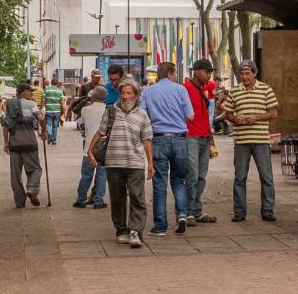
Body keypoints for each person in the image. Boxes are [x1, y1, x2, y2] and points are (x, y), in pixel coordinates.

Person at [89, 78, 154, 248]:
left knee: (137, 197)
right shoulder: (111, 111)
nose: (125, 97)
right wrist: (90, 150)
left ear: (136, 96)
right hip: (113, 162)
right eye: (123, 93)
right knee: (117, 199)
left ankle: (135, 231)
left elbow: (147, 140)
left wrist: (150, 163)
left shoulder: (143, 114)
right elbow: (100, 132)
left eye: (129, 93)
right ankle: (121, 230)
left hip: (135, 163)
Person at [138, 61, 196, 236]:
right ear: (171, 73)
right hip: (180, 140)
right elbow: (191, 116)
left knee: (160, 183)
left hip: (159, 139)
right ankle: (182, 214)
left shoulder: (148, 91)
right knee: (179, 180)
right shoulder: (181, 90)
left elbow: (141, 115)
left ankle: (161, 226)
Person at [221, 60, 279, 223]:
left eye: (247, 73)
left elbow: (273, 113)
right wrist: (235, 119)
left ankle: (268, 210)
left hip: (261, 140)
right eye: (242, 73)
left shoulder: (266, 89)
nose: (244, 77)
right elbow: (228, 114)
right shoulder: (234, 91)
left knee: (266, 176)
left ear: (255, 73)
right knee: (240, 177)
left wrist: (257, 117)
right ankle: (239, 212)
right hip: (241, 141)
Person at [183, 59, 218, 227]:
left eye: (210, 72)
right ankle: (188, 211)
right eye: (206, 72)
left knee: (201, 177)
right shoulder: (186, 89)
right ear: (196, 71)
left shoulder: (203, 89)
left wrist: (211, 139)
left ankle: (196, 209)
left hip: (204, 137)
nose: (209, 75)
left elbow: (205, 117)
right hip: (191, 137)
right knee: (192, 176)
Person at [2, 85, 45, 207]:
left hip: (14, 144)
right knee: (35, 169)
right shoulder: (31, 104)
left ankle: (20, 202)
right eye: (30, 92)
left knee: (15, 175)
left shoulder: (9, 105)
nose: (32, 95)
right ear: (25, 92)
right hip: (30, 143)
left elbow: (5, 125)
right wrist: (44, 132)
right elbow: (41, 118)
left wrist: (6, 142)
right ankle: (32, 189)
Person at [73, 85, 110, 208]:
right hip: (103, 148)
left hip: (88, 147)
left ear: (93, 96)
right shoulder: (108, 109)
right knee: (101, 175)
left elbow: (80, 122)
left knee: (86, 175)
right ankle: (98, 201)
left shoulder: (85, 110)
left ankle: (81, 199)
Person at [40, 78, 63, 145]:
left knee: (48, 123)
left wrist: (41, 108)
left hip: (49, 110)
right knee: (55, 126)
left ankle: (50, 133)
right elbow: (61, 103)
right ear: (57, 83)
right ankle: (54, 140)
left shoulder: (46, 89)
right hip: (57, 111)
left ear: (51, 83)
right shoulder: (60, 91)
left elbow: (43, 100)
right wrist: (64, 111)